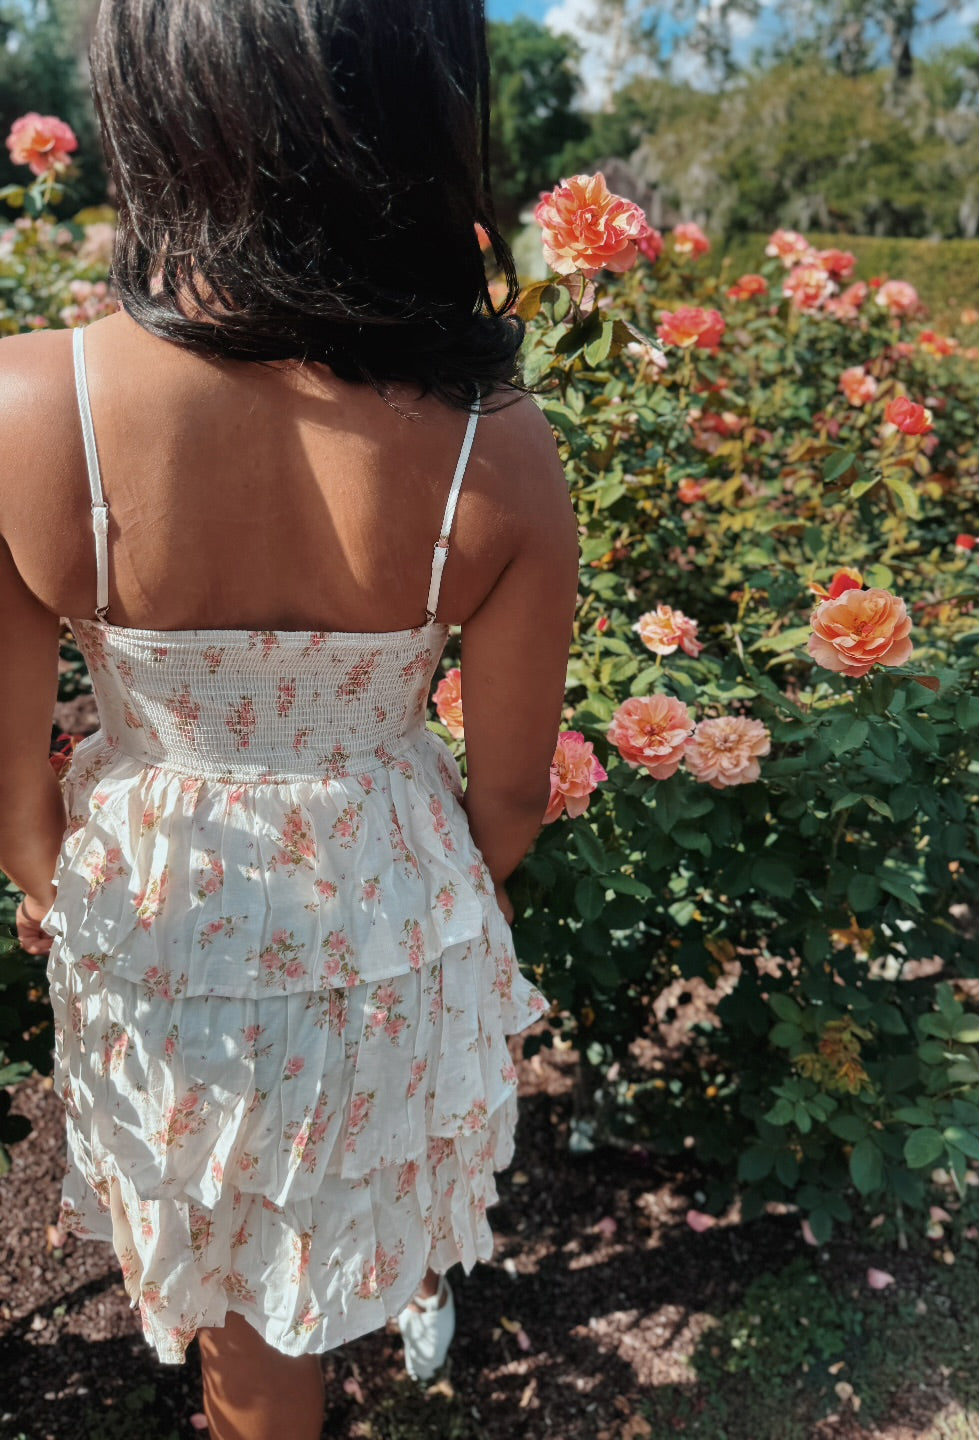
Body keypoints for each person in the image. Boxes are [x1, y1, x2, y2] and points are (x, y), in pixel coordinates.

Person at [0, 2, 578, 1436]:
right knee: (310, 1256)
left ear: (154, 97)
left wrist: (54, 885)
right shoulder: (493, 446)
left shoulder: (28, 406)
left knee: (231, 1276)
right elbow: (508, 795)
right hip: (385, 904)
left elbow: (9, 789)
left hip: (162, 908)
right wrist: (413, 910)